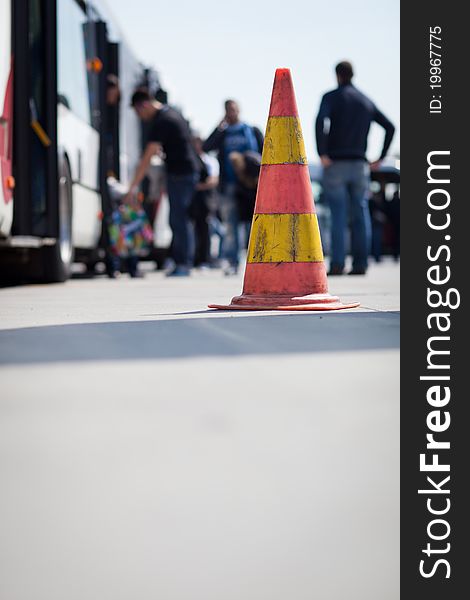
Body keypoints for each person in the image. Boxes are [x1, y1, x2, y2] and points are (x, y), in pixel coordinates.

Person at [315, 61, 395, 275]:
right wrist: (380, 157)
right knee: (361, 214)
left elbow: (320, 121)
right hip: (360, 164)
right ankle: (361, 264)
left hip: (336, 163)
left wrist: (322, 152)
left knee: (338, 215)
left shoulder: (330, 97)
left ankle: (338, 264)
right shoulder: (365, 100)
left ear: (338, 75)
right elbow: (390, 126)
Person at [127, 89, 198, 276]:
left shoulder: (162, 121)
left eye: (138, 112)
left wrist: (132, 187)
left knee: (178, 219)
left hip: (180, 174)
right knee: (178, 218)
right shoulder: (171, 114)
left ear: (144, 105)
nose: (141, 117)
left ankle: (183, 264)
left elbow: (146, 158)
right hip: (184, 173)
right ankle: (182, 262)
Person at [203, 100, 263, 275]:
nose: (232, 113)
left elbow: (266, 151)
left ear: (239, 110)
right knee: (231, 225)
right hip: (229, 186)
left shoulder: (252, 131)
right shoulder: (223, 133)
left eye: (234, 109)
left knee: (254, 226)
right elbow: (206, 146)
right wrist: (219, 125)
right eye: (228, 110)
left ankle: (257, 263)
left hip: (251, 186)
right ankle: (232, 262)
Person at [190, 135, 220, 268]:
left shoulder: (210, 161)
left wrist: (198, 186)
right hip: (192, 199)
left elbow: (213, 180)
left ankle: (205, 259)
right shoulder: (190, 160)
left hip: (206, 200)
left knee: (205, 230)